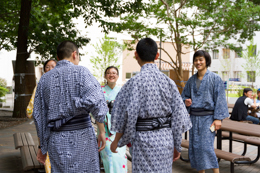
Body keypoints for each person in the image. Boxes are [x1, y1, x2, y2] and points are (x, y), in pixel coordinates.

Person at [110, 38, 192, 172]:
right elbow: (178, 117)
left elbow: (124, 115)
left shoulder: (133, 83)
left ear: (136, 55)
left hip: (143, 141)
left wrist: (116, 142)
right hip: (165, 140)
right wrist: (176, 146)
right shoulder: (169, 82)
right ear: (157, 56)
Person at [33, 41, 108, 173]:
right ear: (75, 54)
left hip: (56, 138)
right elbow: (98, 103)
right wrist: (102, 131)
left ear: (58, 57)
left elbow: (38, 115)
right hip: (82, 136)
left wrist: (42, 146)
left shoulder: (44, 79)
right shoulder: (82, 72)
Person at [181, 50, 229, 173]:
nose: (198, 62)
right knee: (196, 147)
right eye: (196, 60)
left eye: (201, 59)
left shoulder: (215, 79)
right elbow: (183, 97)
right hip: (194, 118)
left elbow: (220, 99)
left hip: (208, 118)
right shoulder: (191, 80)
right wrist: (186, 102)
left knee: (206, 147)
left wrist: (218, 119)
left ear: (207, 61)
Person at [26, 59, 57, 173]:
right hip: (48, 128)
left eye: (53, 66)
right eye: (47, 67)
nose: (50, 69)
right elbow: (31, 110)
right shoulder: (40, 85)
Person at [99, 66, 127, 173]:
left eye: (114, 73)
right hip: (104, 130)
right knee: (109, 158)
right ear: (105, 76)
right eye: (109, 73)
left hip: (119, 131)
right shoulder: (100, 91)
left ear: (118, 76)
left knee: (120, 157)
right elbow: (95, 111)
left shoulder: (123, 90)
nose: (112, 75)